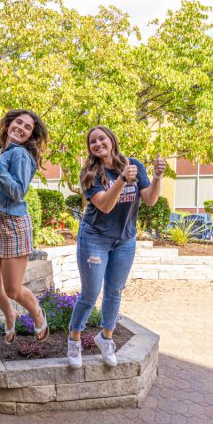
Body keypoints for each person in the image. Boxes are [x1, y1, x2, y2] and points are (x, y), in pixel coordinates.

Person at [67, 126, 167, 368]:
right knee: (90, 294)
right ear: (90, 148)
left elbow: (151, 200)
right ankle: (74, 338)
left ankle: (106, 337)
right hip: (95, 238)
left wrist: (157, 177)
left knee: (114, 291)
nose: (98, 144)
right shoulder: (89, 173)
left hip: (125, 240)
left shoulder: (133, 164)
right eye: (92, 141)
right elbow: (105, 206)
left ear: (112, 140)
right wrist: (122, 179)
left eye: (102, 138)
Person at [0, 109, 50, 345]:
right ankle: (10, 314)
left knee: (13, 289)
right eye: (18, 122)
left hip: (12, 224)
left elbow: (16, 192)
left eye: (28, 127)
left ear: (30, 136)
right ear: (9, 124)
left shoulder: (22, 155)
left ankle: (36, 313)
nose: (21, 128)